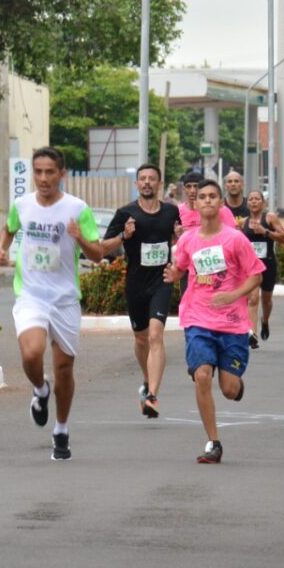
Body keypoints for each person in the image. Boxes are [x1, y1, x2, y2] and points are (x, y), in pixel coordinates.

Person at [0, 147, 104, 460]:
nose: (43, 178)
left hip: (65, 299)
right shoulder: (22, 204)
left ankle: (62, 429)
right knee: (31, 353)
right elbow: (8, 230)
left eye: (49, 172)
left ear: (62, 174)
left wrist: (80, 237)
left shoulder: (77, 208)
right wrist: (1, 250)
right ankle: (40, 389)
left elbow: (98, 253)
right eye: (38, 171)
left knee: (64, 370)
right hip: (31, 294)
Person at [162, 180, 264, 464]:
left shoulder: (235, 239)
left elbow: (256, 275)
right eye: (202, 197)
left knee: (229, 390)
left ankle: (235, 385)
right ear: (196, 204)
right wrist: (173, 275)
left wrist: (234, 294)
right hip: (198, 318)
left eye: (212, 197)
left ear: (220, 204)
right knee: (203, 375)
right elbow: (181, 266)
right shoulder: (188, 240)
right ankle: (213, 442)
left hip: (232, 324)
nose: (206, 201)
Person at [101, 163, 181, 418]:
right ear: (136, 184)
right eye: (142, 179)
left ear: (159, 183)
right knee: (141, 338)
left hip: (162, 281)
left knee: (156, 335)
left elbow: (178, 240)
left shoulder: (171, 211)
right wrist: (124, 236)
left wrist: (179, 237)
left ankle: (153, 396)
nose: (147, 182)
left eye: (152, 179)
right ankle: (147, 381)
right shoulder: (125, 213)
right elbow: (104, 247)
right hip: (136, 283)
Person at [240, 190, 284, 346]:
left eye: (257, 199)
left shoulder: (270, 218)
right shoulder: (243, 222)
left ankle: (265, 320)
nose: (254, 201)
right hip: (251, 267)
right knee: (252, 299)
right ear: (247, 203)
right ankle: (252, 334)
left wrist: (265, 232)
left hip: (267, 264)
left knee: (266, 300)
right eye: (251, 199)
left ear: (263, 202)